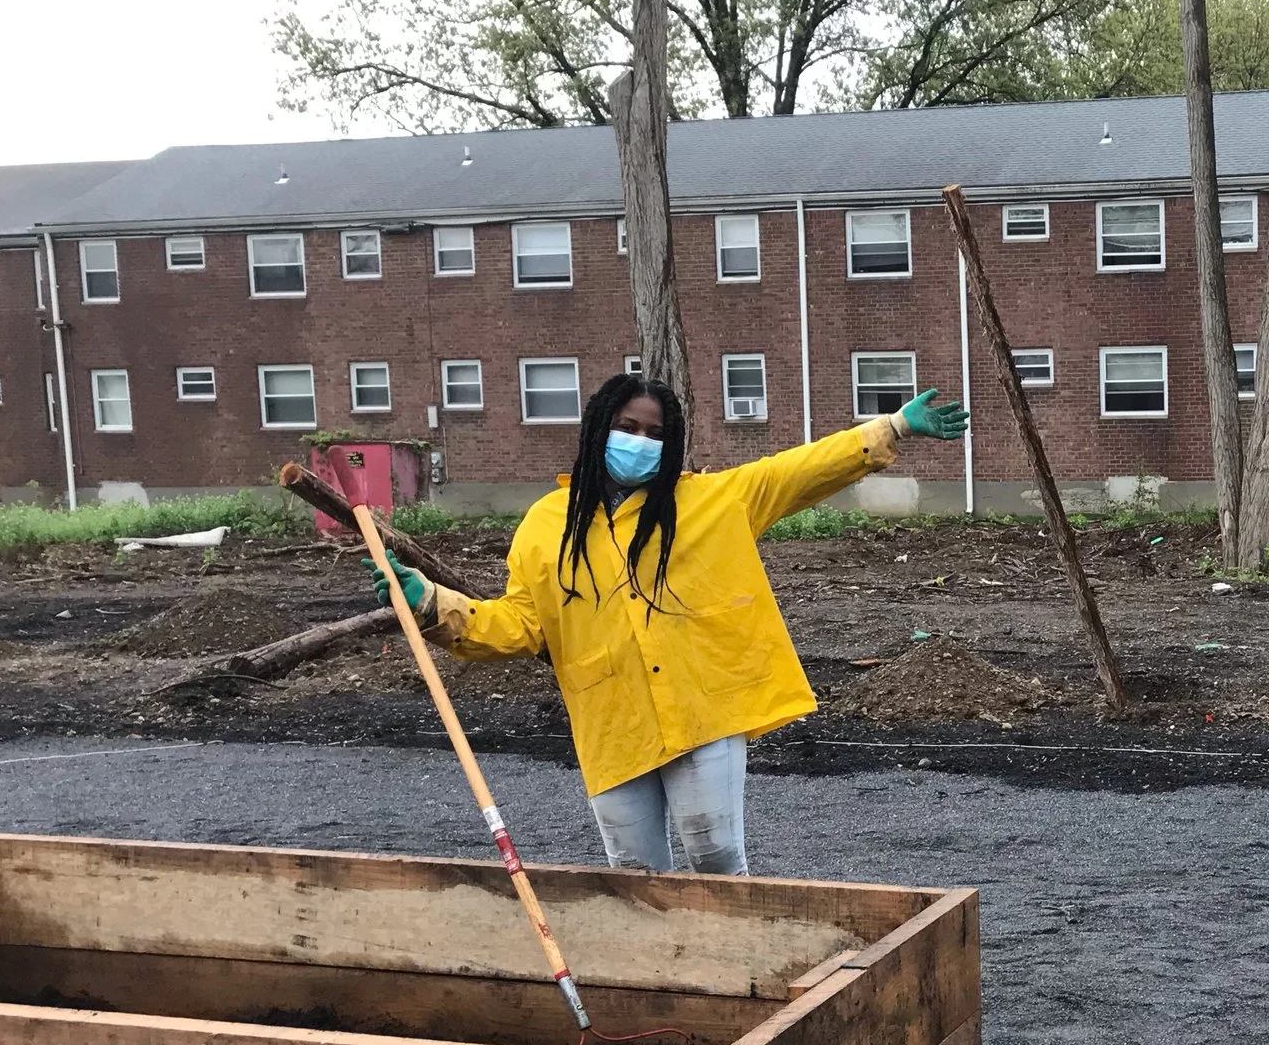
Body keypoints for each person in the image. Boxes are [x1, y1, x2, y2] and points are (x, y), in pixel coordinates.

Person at [366, 371, 966, 875]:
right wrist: (431, 605)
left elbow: (799, 470)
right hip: (613, 719)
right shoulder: (546, 526)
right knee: (634, 875)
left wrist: (893, 428)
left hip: (703, 707)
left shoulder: (713, 500)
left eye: (656, 433)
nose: (640, 441)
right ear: (599, 428)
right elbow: (521, 626)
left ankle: (740, 973)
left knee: (716, 853)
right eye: (628, 427)